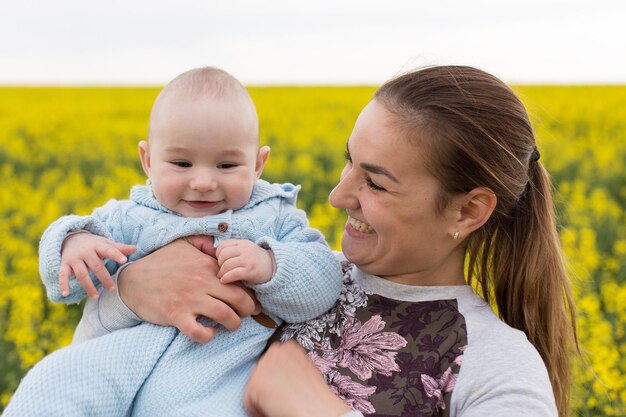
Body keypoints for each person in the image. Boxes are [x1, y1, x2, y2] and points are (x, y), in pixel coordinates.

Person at [76, 65, 577, 417]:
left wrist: (315, 410)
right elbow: (107, 371)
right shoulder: (293, 270)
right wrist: (128, 293)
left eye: (376, 183)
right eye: (348, 162)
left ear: (467, 211)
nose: (337, 196)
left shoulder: (496, 367)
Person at [4, 67, 342, 416]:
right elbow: (66, 285)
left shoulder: (275, 217)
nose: (203, 181)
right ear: (147, 161)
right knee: (50, 382)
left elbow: (324, 281)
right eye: (181, 163)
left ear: (258, 164)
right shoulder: (130, 217)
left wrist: (272, 265)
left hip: (222, 369)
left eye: (226, 165)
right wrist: (73, 243)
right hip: (125, 355)